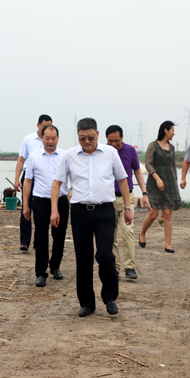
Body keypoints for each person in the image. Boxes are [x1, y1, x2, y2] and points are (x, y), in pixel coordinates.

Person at [51, 118, 131, 318]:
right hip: (80, 213)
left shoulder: (110, 153)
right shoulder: (70, 155)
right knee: (83, 258)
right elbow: (57, 182)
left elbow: (123, 180)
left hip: (105, 211)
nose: (86, 141)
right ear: (77, 137)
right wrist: (54, 210)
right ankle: (87, 303)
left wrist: (128, 207)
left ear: (97, 134)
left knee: (105, 255)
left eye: (90, 137)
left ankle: (110, 298)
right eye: (82, 138)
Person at [22, 125, 69, 288]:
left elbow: (74, 177)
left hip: (61, 201)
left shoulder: (65, 156)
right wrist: (25, 205)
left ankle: (55, 266)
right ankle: (41, 273)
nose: (50, 141)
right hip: (40, 201)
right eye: (47, 138)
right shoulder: (33, 157)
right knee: (41, 237)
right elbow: (28, 181)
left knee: (59, 235)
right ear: (41, 138)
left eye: (53, 138)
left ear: (58, 138)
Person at [106, 125, 150, 280]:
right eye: (110, 141)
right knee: (110, 235)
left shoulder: (130, 150)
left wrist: (144, 193)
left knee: (128, 232)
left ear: (122, 138)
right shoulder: (103, 152)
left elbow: (137, 171)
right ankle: (115, 267)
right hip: (108, 199)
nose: (113, 144)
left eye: (116, 141)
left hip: (127, 198)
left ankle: (130, 267)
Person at [139, 121, 181, 253]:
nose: (174, 133)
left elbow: (173, 166)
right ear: (165, 130)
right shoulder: (153, 145)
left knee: (167, 214)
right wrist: (157, 178)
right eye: (172, 130)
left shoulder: (172, 147)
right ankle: (142, 233)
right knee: (153, 213)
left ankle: (168, 245)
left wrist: (175, 182)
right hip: (154, 183)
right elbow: (148, 164)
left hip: (169, 183)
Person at [14, 114, 53, 251]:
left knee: (41, 209)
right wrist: (17, 179)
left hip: (43, 177)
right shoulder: (28, 140)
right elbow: (21, 159)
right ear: (38, 125)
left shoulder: (51, 141)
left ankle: (39, 241)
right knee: (26, 207)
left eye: (49, 126)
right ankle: (25, 241)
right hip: (28, 177)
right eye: (44, 126)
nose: (46, 129)